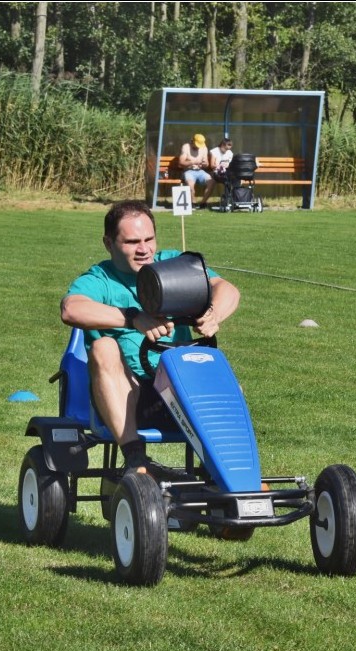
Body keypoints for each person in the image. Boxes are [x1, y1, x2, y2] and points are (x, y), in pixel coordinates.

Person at [60, 200, 241, 470]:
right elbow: (71, 309)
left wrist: (213, 313)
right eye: (132, 242)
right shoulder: (100, 279)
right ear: (108, 244)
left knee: (225, 381)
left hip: (183, 390)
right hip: (131, 398)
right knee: (104, 346)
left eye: (148, 239)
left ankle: (228, 470)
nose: (144, 249)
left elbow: (225, 288)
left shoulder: (173, 265)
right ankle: (135, 457)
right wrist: (133, 318)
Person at [179, 133, 212, 208]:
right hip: (188, 171)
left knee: (211, 181)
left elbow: (206, 163)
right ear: (192, 141)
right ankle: (193, 203)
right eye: (197, 145)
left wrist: (204, 164)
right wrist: (192, 162)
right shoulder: (186, 147)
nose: (198, 147)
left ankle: (203, 203)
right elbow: (181, 162)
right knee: (190, 186)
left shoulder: (204, 148)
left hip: (200, 171)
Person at [199, 137, 235, 207]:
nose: (227, 151)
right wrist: (219, 165)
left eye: (228, 149)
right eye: (226, 149)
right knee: (212, 182)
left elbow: (231, 164)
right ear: (222, 145)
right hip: (216, 173)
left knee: (236, 180)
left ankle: (234, 200)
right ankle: (203, 203)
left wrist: (227, 165)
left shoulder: (230, 153)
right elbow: (212, 165)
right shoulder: (214, 151)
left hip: (226, 173)